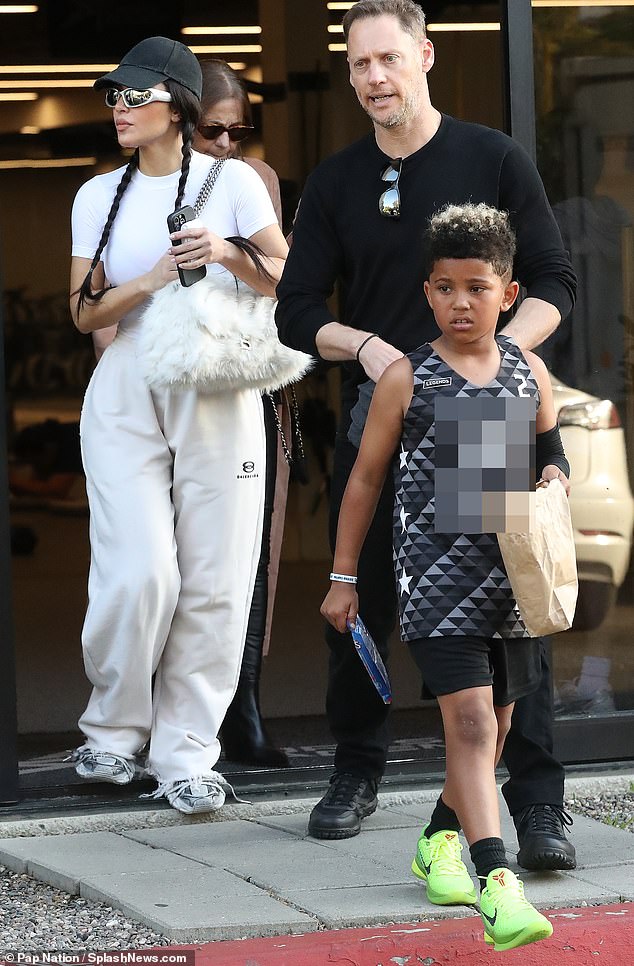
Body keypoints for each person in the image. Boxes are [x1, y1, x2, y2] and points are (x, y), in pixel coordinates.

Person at [275, 0, 578, 870]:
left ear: (425, 57)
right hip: (384, 404)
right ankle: (356, 769)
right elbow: (296, 311)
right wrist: (371, 348)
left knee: (505, 608)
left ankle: (540, 805)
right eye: (359, 63)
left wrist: (483, 361)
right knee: (361, 590)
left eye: (388, 59)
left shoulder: (491, 156)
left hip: (482, 416)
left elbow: (553, 278)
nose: (374, 77)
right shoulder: (335, 181)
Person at [321, 201, 565, 951]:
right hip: (437, 579)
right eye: (445, 288)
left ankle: (438, 838)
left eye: (477, 288)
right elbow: (364, 480)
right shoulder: (407, 376)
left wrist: (554, 482)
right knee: (470, 720)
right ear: (427, 293)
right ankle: (498, 884)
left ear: (508, 293)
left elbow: (550, 453)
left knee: (501, 724)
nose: (461, 302)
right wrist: (342, 575)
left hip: (514, 578)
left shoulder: (528, 370)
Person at [68, 36, 288, 814]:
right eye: (113, 97)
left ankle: (187, 752)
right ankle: (112, 731)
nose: (120, 109)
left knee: (218, 578)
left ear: (177, 105)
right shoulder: (97, 196)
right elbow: (82, 309)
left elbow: (285, 280)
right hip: (128, 375)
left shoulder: (233, 183)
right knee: (140, 572)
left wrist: (226, 252)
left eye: (135, 96)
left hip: (215, 379)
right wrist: (152, 278)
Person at [191, 58, 292, 768]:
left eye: (239, 130)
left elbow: (281, 277)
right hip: (172, 387)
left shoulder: (253, 180)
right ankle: (177, 711)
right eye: (212, 130)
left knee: (253, 548)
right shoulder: (135, 183)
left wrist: (228, 251)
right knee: (179, 554)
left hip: (250, 379)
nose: (227, 143)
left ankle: (244, 701)